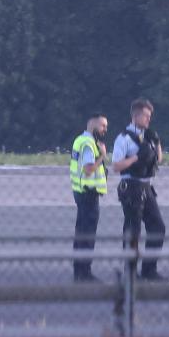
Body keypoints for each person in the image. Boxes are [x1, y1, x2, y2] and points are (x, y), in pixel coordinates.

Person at [111, 98, 166, 281]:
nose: (149, 120)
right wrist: (135, 158)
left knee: (158, 227)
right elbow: (116, 166)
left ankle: (149, 270)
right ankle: (130, 272)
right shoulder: (124, 138)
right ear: (135, 116)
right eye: (146, 116)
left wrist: (157, 143)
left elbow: (158, 160)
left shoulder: (148, 136)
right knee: (133, 231)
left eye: (150, 116)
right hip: (131, 187)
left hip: (146, 186)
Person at [70, 113, 109, 282]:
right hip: (88, 194)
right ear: (94, 126)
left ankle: (79, 270)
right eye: (103, 126)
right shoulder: (88, 144)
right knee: (88, 234)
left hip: (80, 192)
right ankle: (84, 272)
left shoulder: (80, 140)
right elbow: (88, 169)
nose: (105, 130)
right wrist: (102, 156)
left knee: (81, 232)